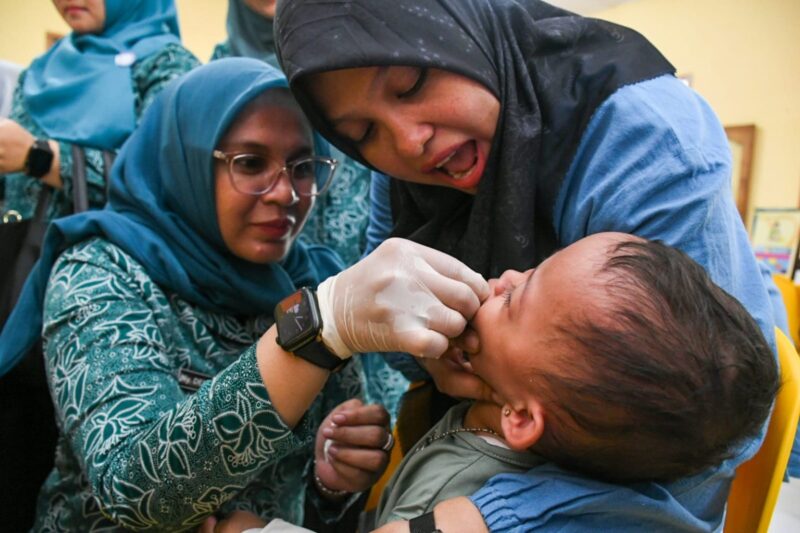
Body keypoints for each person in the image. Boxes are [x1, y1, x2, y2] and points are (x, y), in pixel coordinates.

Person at [274, 0, 787, 530]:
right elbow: (406, 355)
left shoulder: (646, 141)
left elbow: (698, 430)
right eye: (362, 134)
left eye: (410, 84)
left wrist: (488, 517)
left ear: (459, 32)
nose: (408, 141)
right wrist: (445, 352)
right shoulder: (405, 172)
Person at [0, 58, 488, 531]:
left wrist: (331, 476)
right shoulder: (104, 272)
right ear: (182, 162)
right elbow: (134, 490)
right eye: (250, 163)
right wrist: (316, 333)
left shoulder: (310, 278)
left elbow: (313, 486)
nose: (286, 193)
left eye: (302, 166)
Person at [372, 233, 778, 529]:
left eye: (514, 300)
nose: (509, 276)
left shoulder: (445, 496)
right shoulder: (552, 426)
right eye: (534, 270)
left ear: (524, 420)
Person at [213, 0, 409, 429]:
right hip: (269, 312)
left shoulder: (358, 66)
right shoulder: (212, 84)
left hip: (371, 302)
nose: (283, 191)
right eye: (249, 161)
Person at [0, 0, 198, 223]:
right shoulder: (42, 67)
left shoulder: (169, 67)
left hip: (95, 251)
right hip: (16, 247)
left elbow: (159, 185)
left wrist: (40, 157)